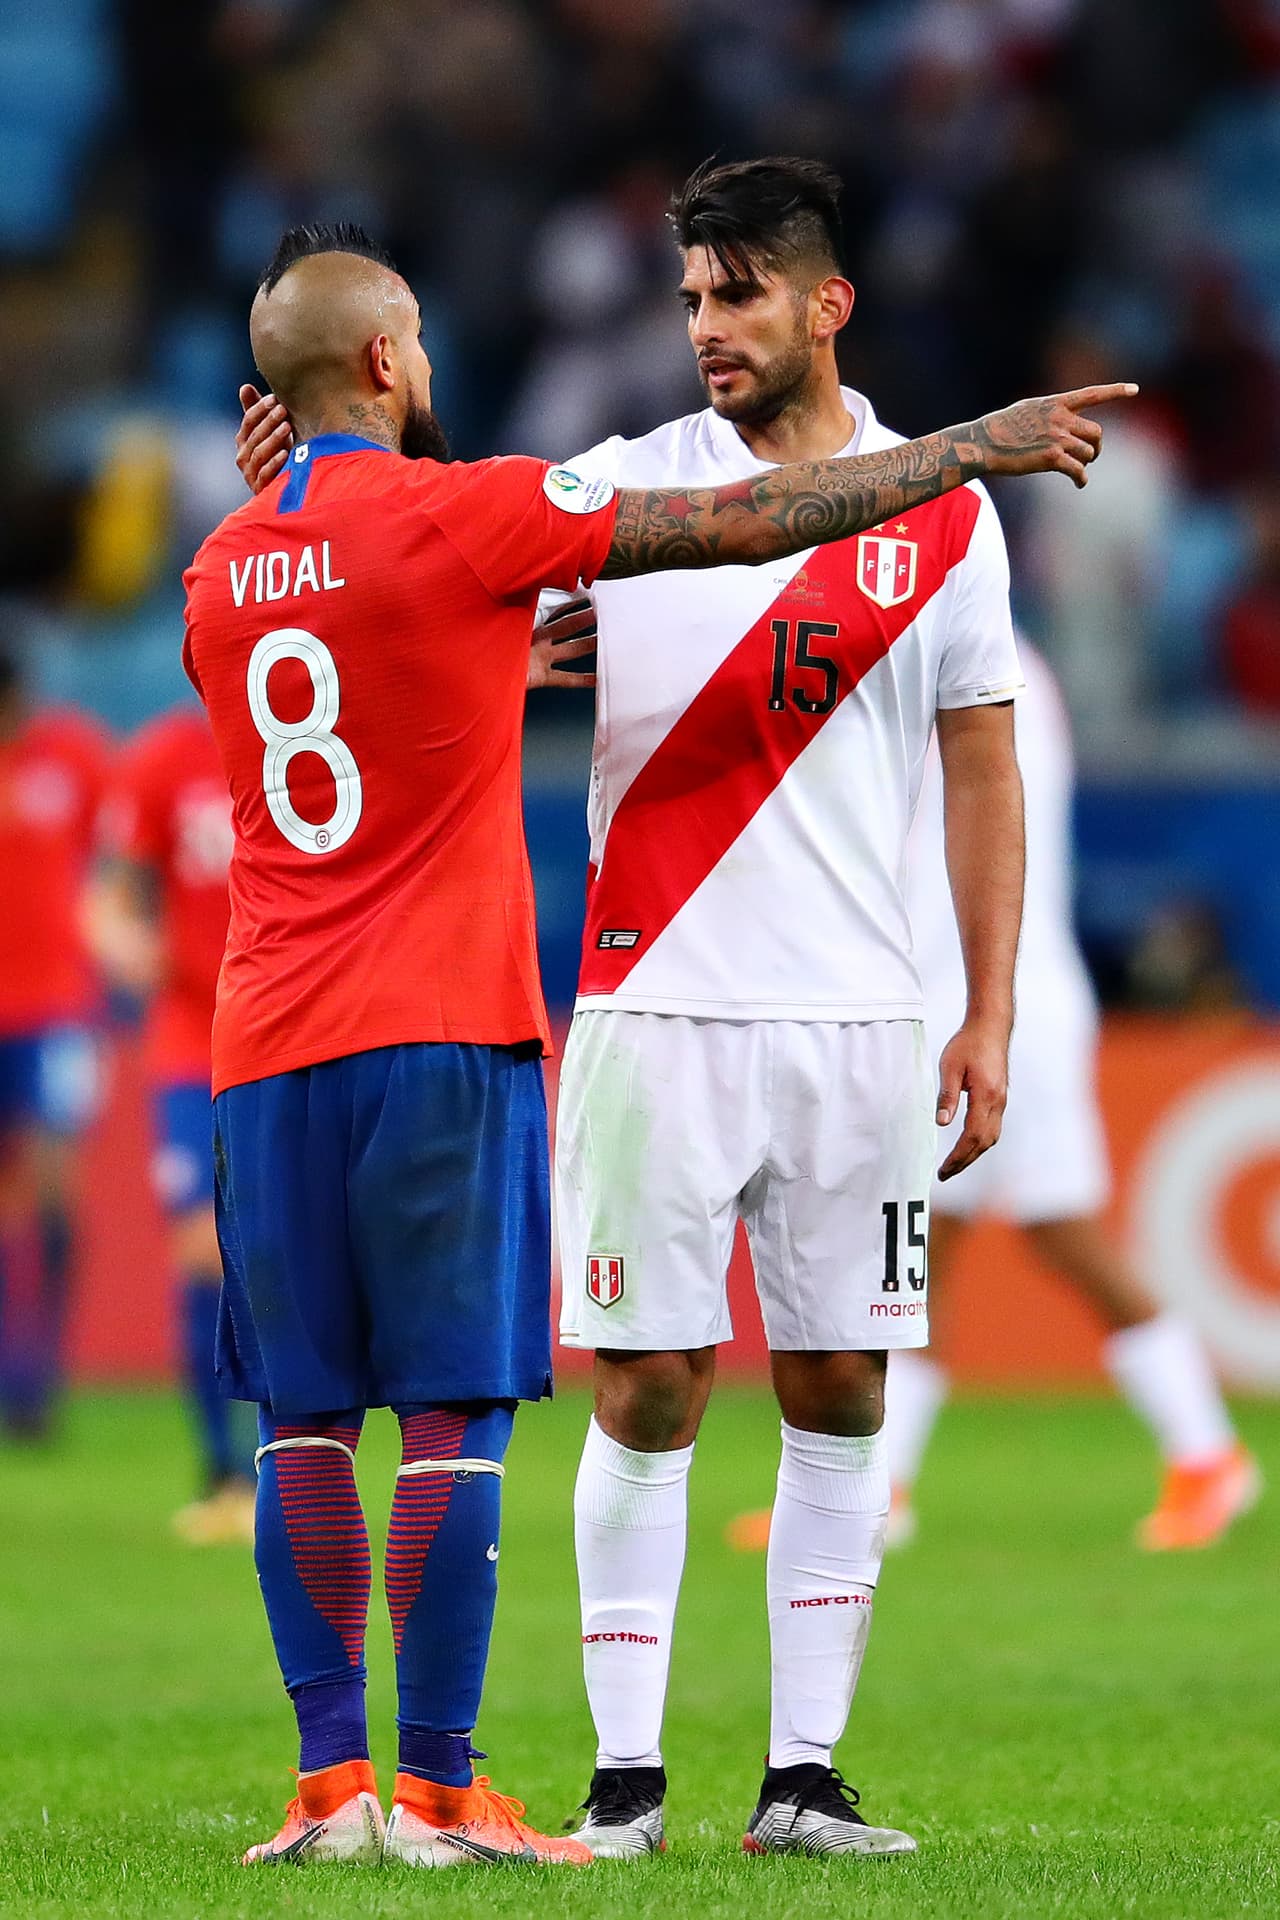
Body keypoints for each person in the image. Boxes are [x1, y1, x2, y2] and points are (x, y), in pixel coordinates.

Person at [227, 212, 1128, 1869]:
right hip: (652, 1005)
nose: (705, 322)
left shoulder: (954, 532)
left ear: (827, 302)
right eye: (692, 294)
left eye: (739, 293)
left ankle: (805, 1779)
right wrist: (972, 441)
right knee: (645, 1386)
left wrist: (988, 1006)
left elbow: (982, 764)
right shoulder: (630, 476)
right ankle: (624, 1786)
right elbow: (428, 539)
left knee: (842, 1383)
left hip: (861, 1011)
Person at [883, 643, 1260, 1552]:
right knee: (950, 1241)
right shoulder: (1002, 663)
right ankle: (879, 1487)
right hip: (998, 992)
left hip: (983, 999)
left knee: (950, 1238)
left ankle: (1208, 1454)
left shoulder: (955, 661)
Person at [87, 701, 257, 1544]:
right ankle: (224, 1470)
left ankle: (283, 1470)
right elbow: (110, 894)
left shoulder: (307, 736)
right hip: (191, 1038)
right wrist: (122, 940)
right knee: (200, 1248)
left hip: (287, 1033)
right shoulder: (163, 759)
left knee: (275, 1256)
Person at [0, 651, 107, 1438]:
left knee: (54, 1193)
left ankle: (42, 1373)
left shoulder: (71, 757)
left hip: (57, 1012)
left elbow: (118, 858)